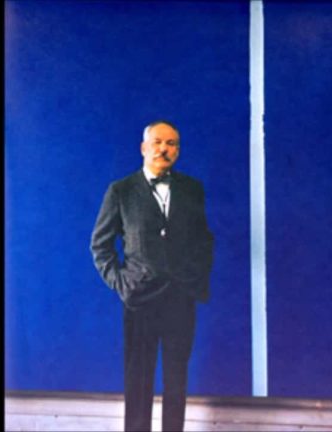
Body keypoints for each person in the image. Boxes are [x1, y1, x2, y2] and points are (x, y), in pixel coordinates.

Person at [90, 120, 214, 431]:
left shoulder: (192, 189)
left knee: (177, 378)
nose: (163, 149)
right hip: (139, 299)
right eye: (157, 142)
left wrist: (193, 280)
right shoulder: (121, 191)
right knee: (138, 378)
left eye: (171, 144)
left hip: (180, 299)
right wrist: (122, 284)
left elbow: (203, 240)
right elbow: (100, 246)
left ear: (178, 151)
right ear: (143, 148)